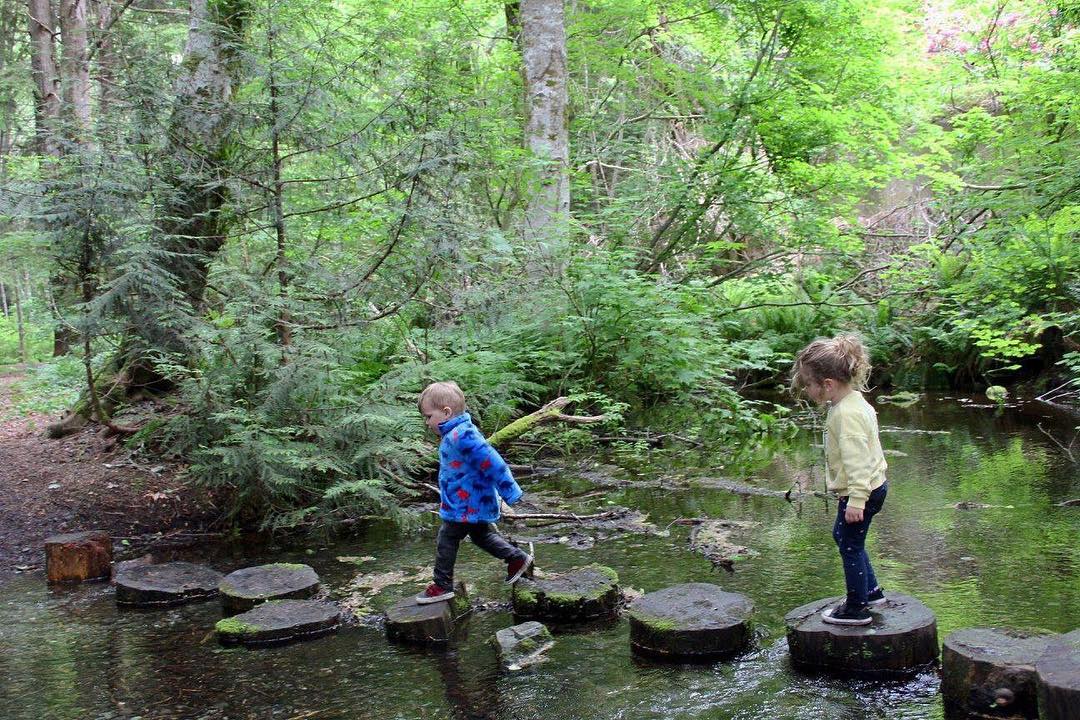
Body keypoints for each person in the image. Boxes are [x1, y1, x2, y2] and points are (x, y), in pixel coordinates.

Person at [792, 334, 889, 626]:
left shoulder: (846, 415)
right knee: (847, 539)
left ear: (828, 384)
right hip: (869, 486)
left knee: (849, 545)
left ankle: (857, 608)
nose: (807, 390)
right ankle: (872, 592)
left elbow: (858, 461)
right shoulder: (853, 402)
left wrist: (856, 499)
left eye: (809, 384)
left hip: (863, 491)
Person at [414, 381, 533, 604]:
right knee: (481, 536)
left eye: (429, 416)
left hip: (467, 503)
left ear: (446, 412)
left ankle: (442, 585)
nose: (427, 422)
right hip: (466, 502)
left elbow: (493, 462)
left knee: (447, 538)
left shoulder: (463, 435)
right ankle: (517, 558)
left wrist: (510, 491)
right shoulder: (455, 433)